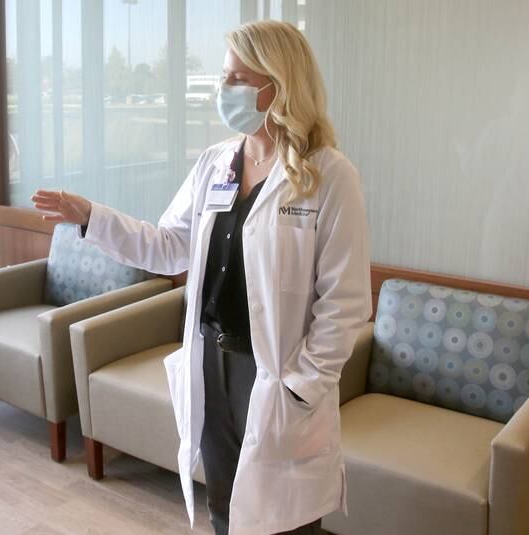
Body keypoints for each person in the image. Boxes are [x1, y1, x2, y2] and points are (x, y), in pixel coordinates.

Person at [32, 20, 371, 535]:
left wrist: (302, 387)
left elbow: (344, 303)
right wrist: (90, 217)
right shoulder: (217, 164)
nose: (224, 89)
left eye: (238, 77)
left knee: (287, 519)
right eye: (225, 76)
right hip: (211, 360)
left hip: (273, 371)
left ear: (276, 84)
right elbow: (168, 247)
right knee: (224, 505)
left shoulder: (329, 175)